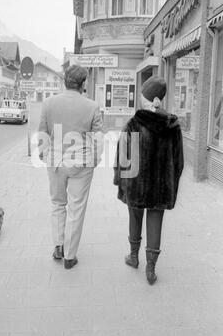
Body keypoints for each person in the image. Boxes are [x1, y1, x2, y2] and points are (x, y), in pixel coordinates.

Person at [114, 76, 184, 285]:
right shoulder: (172, 124)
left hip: (136, 184)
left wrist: (122, 183)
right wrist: (171, 182)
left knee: (135, 217)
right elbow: (179, 162)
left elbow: (123, 158)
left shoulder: (134, 123)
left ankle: (134, 257)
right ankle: (151, 270)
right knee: (156, 220)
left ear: (146, 98)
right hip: (160, 187)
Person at [38, 65, 104, 270]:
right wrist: (95, 159)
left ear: (65, 82)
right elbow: (97, 139)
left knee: (58, 204)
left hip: (56, 162)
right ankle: (70, 256)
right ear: (83, 84)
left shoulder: (48, 103)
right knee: (77, 208)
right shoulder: (92, 106)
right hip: (81, 164)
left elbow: (43, 132)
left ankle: (58, 246)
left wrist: (44, 155)